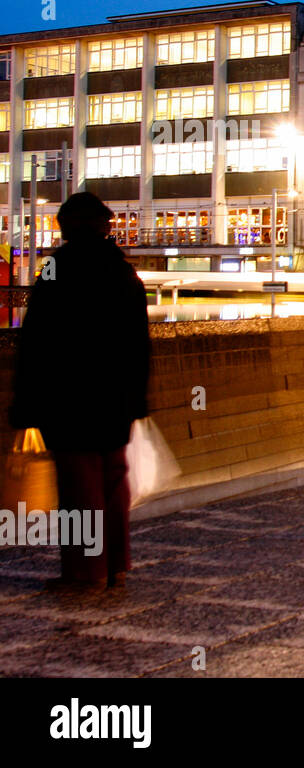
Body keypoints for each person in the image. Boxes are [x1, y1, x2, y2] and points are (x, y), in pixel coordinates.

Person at [8, 193, 150, 593]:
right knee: (113, 481)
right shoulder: (124, 273)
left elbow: (38, 340)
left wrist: (25, 402)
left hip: (69, 398)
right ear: (105, 226)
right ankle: (116, 565)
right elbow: (138, 344)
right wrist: (135, 398)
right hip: (116, 399)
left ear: (68, 225)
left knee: (79, 488)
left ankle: (85, 571)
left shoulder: (59, 269)